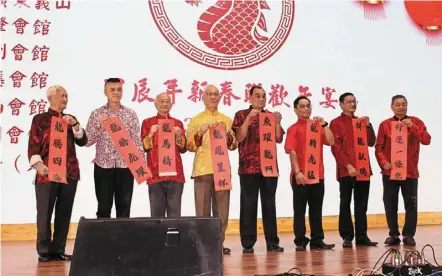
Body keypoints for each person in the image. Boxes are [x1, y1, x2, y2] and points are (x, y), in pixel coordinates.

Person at [28, 85, 87, 262]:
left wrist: (75, 125)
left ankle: (59, 248)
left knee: (64, 211)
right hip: (47, 172)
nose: (65, 99)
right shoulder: (40, 119)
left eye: (66, 96)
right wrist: (38, 165)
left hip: (69, 172)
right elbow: (33, 144)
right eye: (62, 95)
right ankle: (44, 250)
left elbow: (83, 141)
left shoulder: (70, 119)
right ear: (50, 98)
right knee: (44, 212)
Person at [232, 86, 284, 253]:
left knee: (270, 204)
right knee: (248, 204)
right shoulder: (241, 114)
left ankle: (272, 242)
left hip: (269, 168)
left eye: (263, 96)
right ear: (250, 98)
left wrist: (278, 123)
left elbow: (278, 138)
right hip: (248, 168)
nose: (261, 99)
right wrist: (248, 119)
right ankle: (247, 243)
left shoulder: (269, 116)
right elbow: (239, 137)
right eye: (257, 96)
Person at [186, 84, 237, 255]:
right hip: (203, 169)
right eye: (209, 94)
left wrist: (229, 136)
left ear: (220, 97)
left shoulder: (227, 119)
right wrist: (198, 134)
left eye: (216, 94)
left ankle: (218, 243)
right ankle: (202, 244)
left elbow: (234, 145)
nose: (213, 97)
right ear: (203, 97)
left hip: (222, 170)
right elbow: (190, 146)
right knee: (202, 210)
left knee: (222, 210)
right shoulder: (196, 120)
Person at [375, 95, 431, 246]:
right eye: (397, 105)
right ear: (392, 107)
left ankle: (408, 234)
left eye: (403, 104)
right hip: (390, 172)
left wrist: (413, 127)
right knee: (390, 203)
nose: (401, 107)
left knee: (411, 204)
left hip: (410, 171)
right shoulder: (385, 125)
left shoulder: (416, 122)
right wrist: (384, 163)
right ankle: (393, 234)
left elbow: (427, 140)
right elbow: (378, 148)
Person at [85, 78, 144, 218]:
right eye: (112, 90)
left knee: (124, 208)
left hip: (126, 166)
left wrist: (141, 167)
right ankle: (103, 239)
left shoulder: (130, 114)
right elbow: (87, 141)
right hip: (103, 167)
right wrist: (99, 127)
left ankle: (122, 239)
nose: (116, 93)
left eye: (119, 89)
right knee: (103, 207)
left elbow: (137, 141)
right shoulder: (97, 114)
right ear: (105, 92)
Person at [284, 96, 335, 251]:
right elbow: (292, 151)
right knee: (299, 210)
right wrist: (298, 171)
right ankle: (300, 240)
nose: (306, 109)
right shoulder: (293, 128)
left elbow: (331, 141)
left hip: (318, 175)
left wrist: (325, 125)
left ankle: (317, 240)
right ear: (296, 109)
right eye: (302, 106)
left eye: (308, 106)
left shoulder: (317, 127)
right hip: (300, 175)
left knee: (316, 209)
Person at [329, 92, 378, 248]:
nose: (352, 104)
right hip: (346, 170)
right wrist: (348, 165)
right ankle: (347, 236)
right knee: (345, 202)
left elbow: (371, 142)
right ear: (341, 104)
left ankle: (362, 236)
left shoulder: (360, 122)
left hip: (363, 169)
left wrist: (369, 126)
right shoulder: (336, 122)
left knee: (362, 204)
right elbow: (335, 147)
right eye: (348, 101)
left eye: (354, 101)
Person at [141, 93, 187, 217]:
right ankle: (157, 237)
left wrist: (178, 135)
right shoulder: (147, 123)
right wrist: (150, 134)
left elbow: (183, 149)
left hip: (175, 175)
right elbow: (144, 147)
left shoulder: (177, 123)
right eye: (161, 101)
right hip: (155, 174)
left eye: (167, 101)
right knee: (156, 216)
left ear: (171, 105)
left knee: (175, 215)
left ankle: (174, 237)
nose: (165, 104)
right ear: (155, 104)